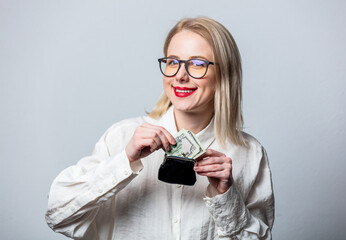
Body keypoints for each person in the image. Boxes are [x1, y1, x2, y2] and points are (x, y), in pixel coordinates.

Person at [45, 17, 274, 240]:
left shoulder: (249, 154)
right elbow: (58, 215)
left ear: (224, 73)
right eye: (173, 62)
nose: (180, 76)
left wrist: (226, 197)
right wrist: (124, 161)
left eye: (197, 63)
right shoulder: (121, 137)